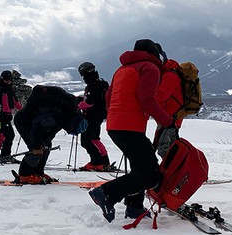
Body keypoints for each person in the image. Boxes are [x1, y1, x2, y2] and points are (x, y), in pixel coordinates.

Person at [88, 39, 175, 222]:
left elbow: (108, 97)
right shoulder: (149, 68)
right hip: (130, 126)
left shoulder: (122, 69)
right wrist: (167, 121)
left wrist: (117, 114)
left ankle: (134, 208)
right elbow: (147, 99)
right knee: (152, 175)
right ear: (154, 53)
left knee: (139, 166)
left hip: (115, 125)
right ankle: (106, 192)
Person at [13, 85, 87, 184]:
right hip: (24, 121)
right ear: (73, 125)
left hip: (33, 123)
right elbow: (37, 125)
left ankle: (38, 172)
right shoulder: (59, 116)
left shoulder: (66, 117)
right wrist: (36, 146)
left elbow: (51, 131)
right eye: (72, 131)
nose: (70, 132)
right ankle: (25, 176)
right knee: (36, 149)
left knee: (46, 147)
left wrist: (46, 143)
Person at [76, 62, 112, 171]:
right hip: (100, 116)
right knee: (95, 139)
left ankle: (97, 162)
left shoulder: (92, 85)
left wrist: (78, 104)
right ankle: (105, 161)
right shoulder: (101, 82)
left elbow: (90, 102)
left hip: (91, 116)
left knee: (86, 141)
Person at [153, 43, 185, 158]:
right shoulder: (168, 73)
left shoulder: (170, 75)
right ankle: (175, 173)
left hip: (170, 118)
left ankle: (175, 173)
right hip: (169, 118)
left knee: (164, 149)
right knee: (169, 148)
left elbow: (160, 95)